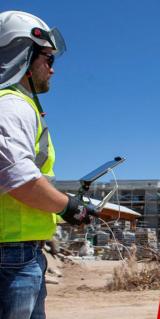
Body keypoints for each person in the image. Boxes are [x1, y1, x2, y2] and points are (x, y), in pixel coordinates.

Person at [0, 11, 97, 319]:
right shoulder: (12, 106)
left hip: (20, 253)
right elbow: (19, 179)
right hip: (10, 254)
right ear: (22, 55)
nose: (53, 70)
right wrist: (70, 208)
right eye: (48, 59)